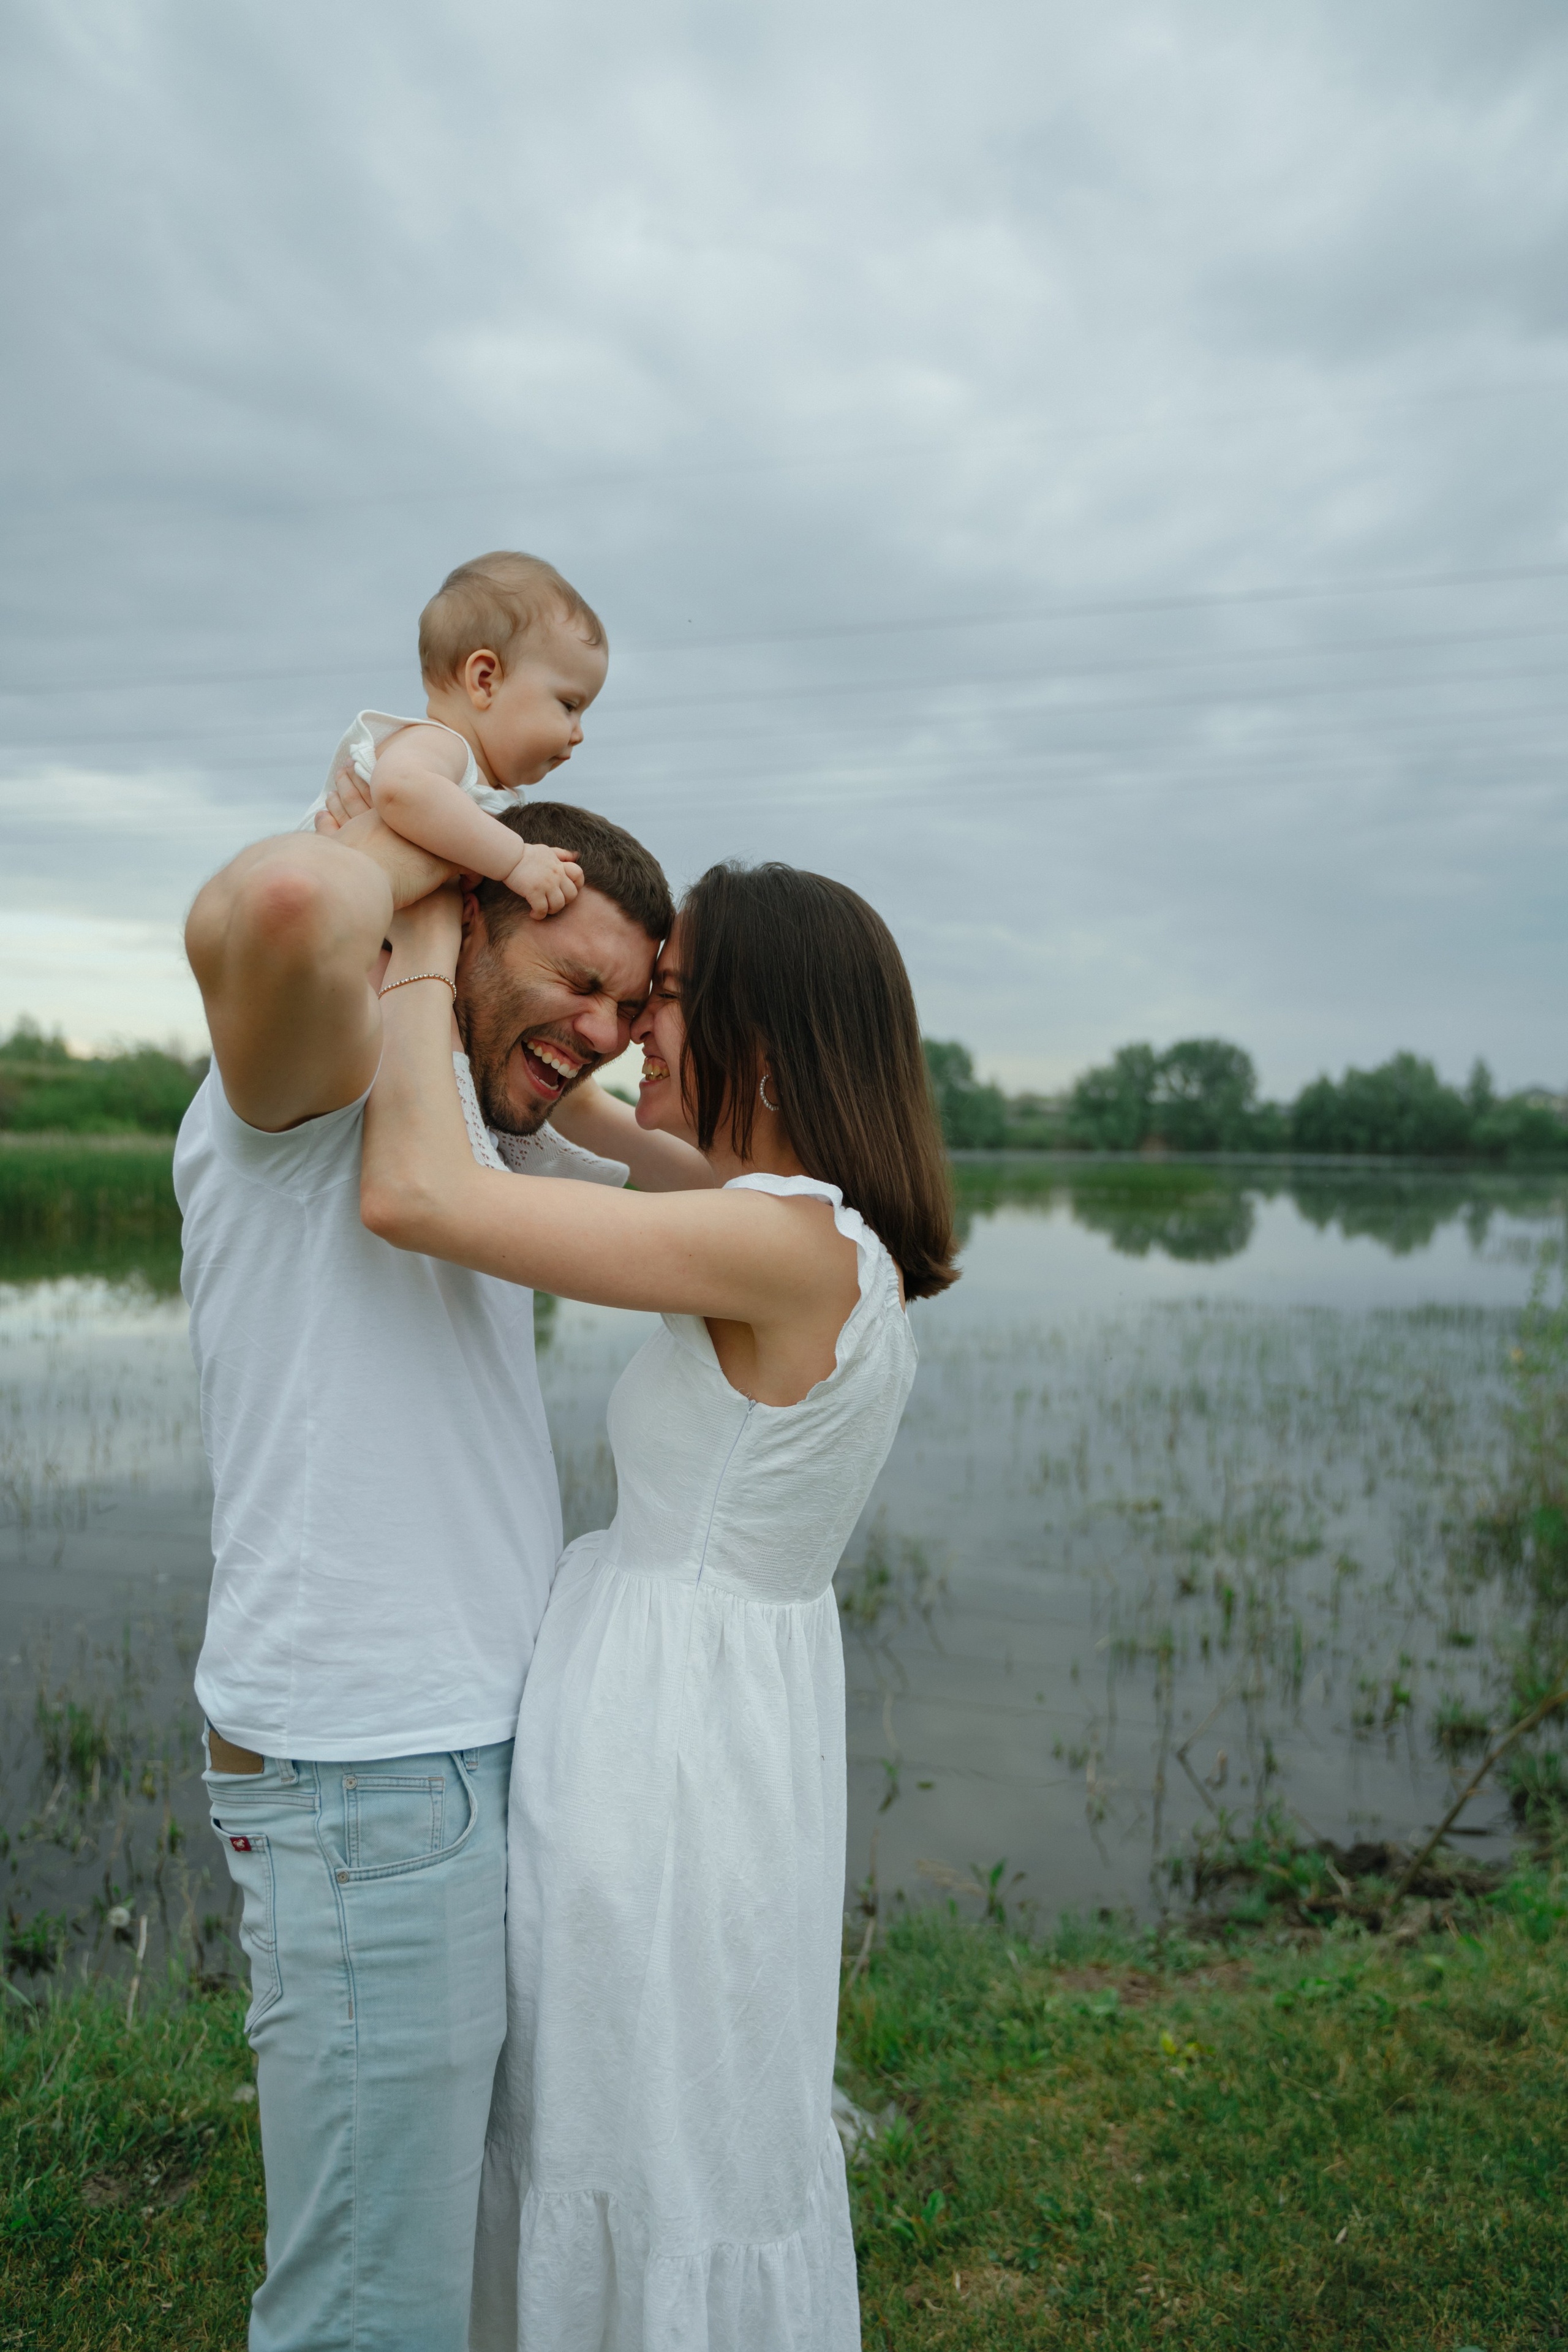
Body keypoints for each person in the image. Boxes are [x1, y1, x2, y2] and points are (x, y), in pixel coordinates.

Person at [359, 859, 959, 2352]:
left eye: (672, 998)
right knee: (671, 2101)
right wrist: (543, 997)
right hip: (710, 1724)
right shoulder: (805, 1229)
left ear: (763, 1028)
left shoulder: (777, 1241)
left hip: (667, 1754)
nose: (639, 1033)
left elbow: (415, 1192)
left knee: (625, 2107)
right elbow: (576, 1116)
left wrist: (425, 939)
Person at [175, 797, 695, 2352]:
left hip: (464, 1767)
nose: (601, 1029)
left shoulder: (468, 1123)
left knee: (449, 2271)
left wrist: (622, 1057)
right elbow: (276, 898)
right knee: (367, 2313)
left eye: (628, 1003)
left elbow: (717, 1196)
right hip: (363, 1777)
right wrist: (424, 819)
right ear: (468, 910)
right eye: (578, 974)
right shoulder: (315, 1086)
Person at [300, 548, 608, 921]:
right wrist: (517, 859)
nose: (578, 734)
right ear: (485, 681)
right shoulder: (442, 746)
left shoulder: (479, 791)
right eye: (569, 705)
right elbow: (402, 788)